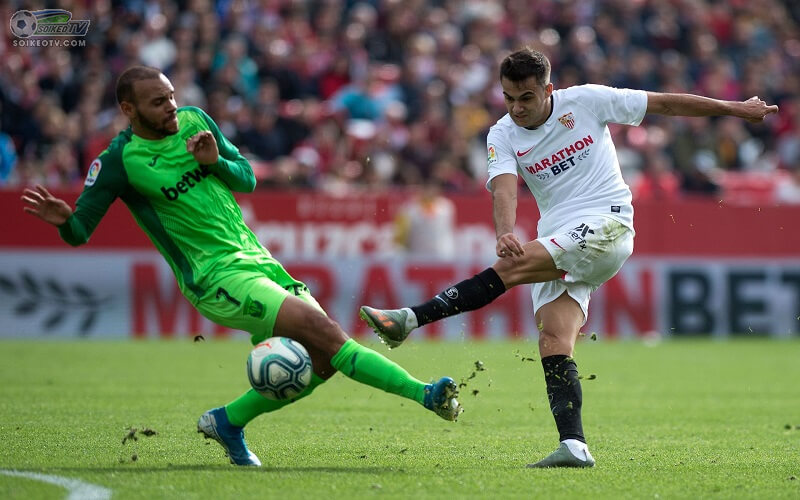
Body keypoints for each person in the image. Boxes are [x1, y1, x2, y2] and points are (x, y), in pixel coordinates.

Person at [21, 66, 462, 467]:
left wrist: (214, 162)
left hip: (259, 260)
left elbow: (246, 178)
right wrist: (64, 221)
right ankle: (426, 394)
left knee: (324, 362)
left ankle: (228, 421)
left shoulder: (195, 121)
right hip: (215, 276)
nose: (171, 106)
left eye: (171, 95)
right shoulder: (120, 160)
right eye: (158, 102)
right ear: (128, 109)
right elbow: (80, 230)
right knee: (329, 335)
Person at [359, 48, 778, 468]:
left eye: (526, 97)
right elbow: (504, 187)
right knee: (554, 340)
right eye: (508, 98)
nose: (517, 107)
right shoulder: (501, 134)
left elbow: (664, 102)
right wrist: (505, 229)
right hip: (559, 238)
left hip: (606, 223)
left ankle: (409, 320)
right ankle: (574, 445)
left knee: (513, 268)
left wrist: (736, 109)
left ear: (548, 89)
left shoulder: (587, 100)